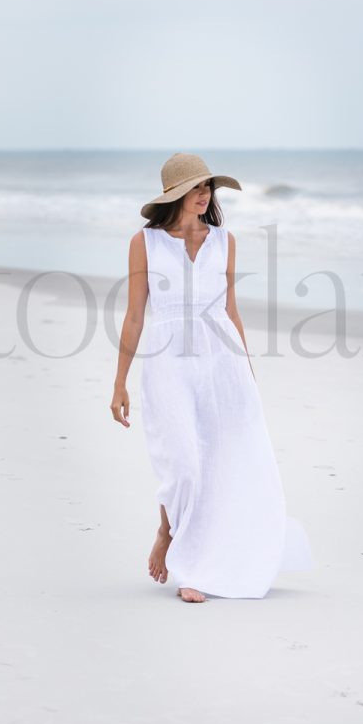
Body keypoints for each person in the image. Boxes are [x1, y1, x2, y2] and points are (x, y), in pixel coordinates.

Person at [110, 152, 313, 602]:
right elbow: (134, 315)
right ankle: (166, 529)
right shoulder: (144, 242)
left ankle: (191, 566)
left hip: (222, 361)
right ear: (175, 195)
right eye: (196, 189)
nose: (204, 197)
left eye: (208, 189)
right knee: (182, 460)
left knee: (219, 462)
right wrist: (120, 382)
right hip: (166, 361)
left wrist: (248, 370)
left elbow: (230, 310)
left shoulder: (225, 241)